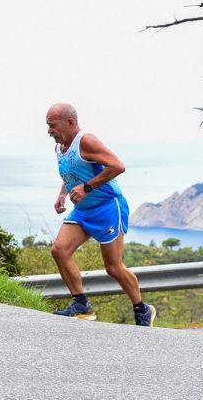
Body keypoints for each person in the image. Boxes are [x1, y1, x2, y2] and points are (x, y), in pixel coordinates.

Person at [45, 102, 156, 327]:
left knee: (113, 267)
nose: (49, 131)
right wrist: (63, 194)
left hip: (107, 207)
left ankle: (142, 310)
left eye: (53, 126)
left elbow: (117, 166)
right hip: (83, 211)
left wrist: (86, 188)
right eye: (48, 126)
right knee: (59, 250)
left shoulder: (86, 141)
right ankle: (81, 305)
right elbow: (71, 173)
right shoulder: (60, 147)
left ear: (70, 123)